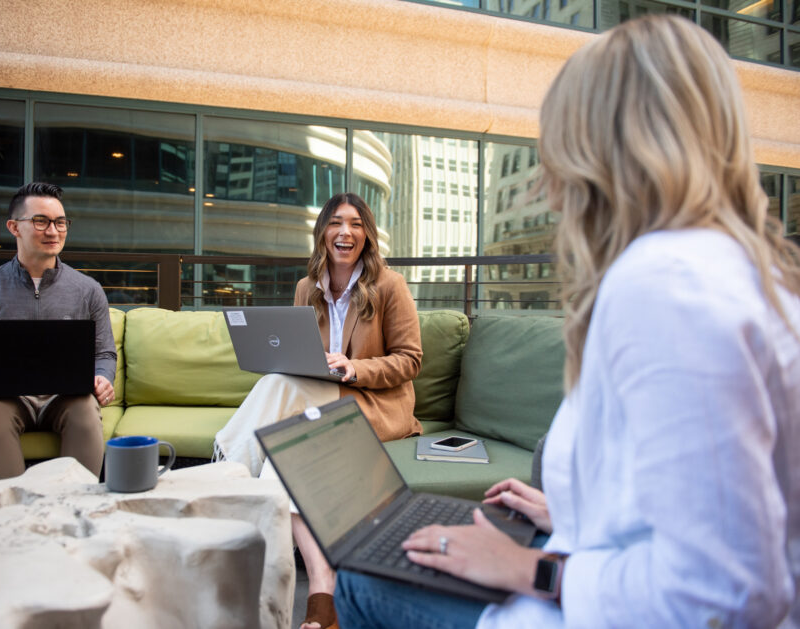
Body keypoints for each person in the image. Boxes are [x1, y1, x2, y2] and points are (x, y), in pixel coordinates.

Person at [334, 14, 800, 629]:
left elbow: (726, 590)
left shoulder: (666, 289)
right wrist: (578, 513)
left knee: (363, 577)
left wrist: (532, 569)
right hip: (594, 558)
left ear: (596, 154)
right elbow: (710, 498)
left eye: (554, 149)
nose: (549, 191)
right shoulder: (742, 275)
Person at [214, 191, 423, 629]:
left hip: (371, 401)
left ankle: (221, 485)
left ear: (366, 235)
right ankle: (322, 587)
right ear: (323, 233)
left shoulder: (390, 285)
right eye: (335, 223)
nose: (345, 232)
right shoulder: (307, 287)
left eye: (355, 224)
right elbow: (294, 354)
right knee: (279, 400)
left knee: (277, 393)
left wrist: (354, 367)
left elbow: (410, 360)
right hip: (313, 394)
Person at [0, 182, 117, 479]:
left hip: (65, 397)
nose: (53, 231)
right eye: (41, 221)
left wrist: (102, 377)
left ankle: (75, 506)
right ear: (14, 227)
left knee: (86, 411)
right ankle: (8, 512)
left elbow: (104, 353)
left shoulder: (88, 290)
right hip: (5, 397)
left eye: (60, 222)